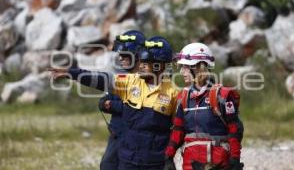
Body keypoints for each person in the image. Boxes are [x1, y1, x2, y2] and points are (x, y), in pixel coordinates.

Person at [49, 36, 178, 170]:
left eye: (146, 63)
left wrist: (170, 159)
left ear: (160, 65)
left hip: (155, 164)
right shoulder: (129, 81)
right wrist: (72, 73)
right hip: (127, 161)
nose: (141, 65)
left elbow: (178, 130)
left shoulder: (173, 94)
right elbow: (102, 78)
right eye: (141, 61)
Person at [164, 43, 244, 170]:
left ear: (198, 67)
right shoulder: (183, 97)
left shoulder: (222, 96)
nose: (181, 72)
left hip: (218, 163)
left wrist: (235, 159)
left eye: (185, 67)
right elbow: (178, 130)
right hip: (191, 163)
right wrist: (168, 157)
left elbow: (234, 130)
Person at [98, 30, 145, 170]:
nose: (120, 58)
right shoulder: (120, 79)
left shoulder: (149, 80)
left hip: (138, 141)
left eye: (125, 55)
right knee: (107, 166)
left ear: (138, 55)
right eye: (120, 55)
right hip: (117, 137)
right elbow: (102, 102)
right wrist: (110, 104)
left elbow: (136, 108)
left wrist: (113, 105)